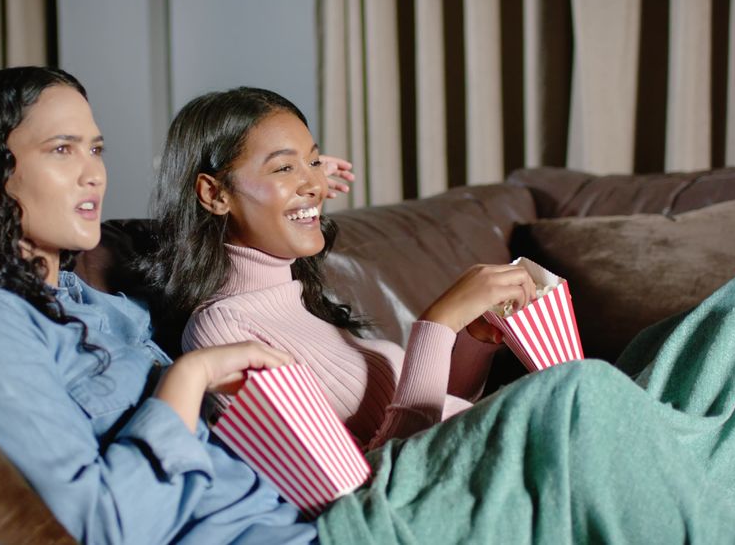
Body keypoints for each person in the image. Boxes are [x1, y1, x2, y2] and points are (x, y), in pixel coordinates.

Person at [0, 67, 735, 545]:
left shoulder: (107, 312)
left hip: (357, 496)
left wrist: (454, 332)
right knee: (577, 403)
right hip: (341, 524)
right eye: (62, 150)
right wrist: (183, 386)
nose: (94, 171)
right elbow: (98, 528)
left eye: (96, 146)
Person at [144, 87, 537, 449]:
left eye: (315, 161)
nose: (314, 182)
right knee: (577, 387)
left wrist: (472, 339)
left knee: (577, 389)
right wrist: (437, 325)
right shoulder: (222, 331)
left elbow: (435, 410)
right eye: (284, 167)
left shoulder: (301, 302)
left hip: (483, 466)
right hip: (436, 501)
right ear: (214, 193)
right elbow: (381, 480)